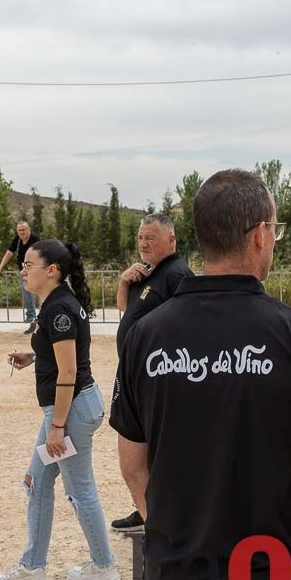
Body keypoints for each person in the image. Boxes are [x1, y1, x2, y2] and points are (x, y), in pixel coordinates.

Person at [111, 169, 291, 580]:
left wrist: (171, 534)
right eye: (276, 229)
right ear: (261, 234)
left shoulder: (144, 335)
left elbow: (132, 465)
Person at [0, 239, 122, 580]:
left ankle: (100, 568)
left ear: (52, 271)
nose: (22, 271)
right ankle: (36, 569)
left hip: (69, 411)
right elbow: (64, 358)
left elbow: (68, 373)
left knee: (78, 489)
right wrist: (33, 357)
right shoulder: (56, 307)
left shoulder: (59, 310)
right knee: (39, 483)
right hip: (73, 408)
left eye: (28, 265)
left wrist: (57, 427)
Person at [109, 213, 194, 534]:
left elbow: (188, 324)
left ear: (171, 240)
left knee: (157, 452)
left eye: (151, 238)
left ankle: (164, 520)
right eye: (141, 238)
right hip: (134, 375)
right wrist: (123, 281)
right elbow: (124, 310)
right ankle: (146, 510)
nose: (144, 244)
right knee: (144, 451)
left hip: (158, 378)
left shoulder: (177, 274)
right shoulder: (146, 273)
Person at [0, 220, 42, 333]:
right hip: (24, 272)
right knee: (27, 293)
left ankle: (42, 321)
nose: (21, 232)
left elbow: (39, 256)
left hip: (36, 270)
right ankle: (32, 320)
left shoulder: (35, 240)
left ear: (28, 229)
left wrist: (28, 268)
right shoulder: (18, 240)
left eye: (23, 230)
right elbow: (9, 253)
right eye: (19, 230)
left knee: (41, 296)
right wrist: (0, 268)